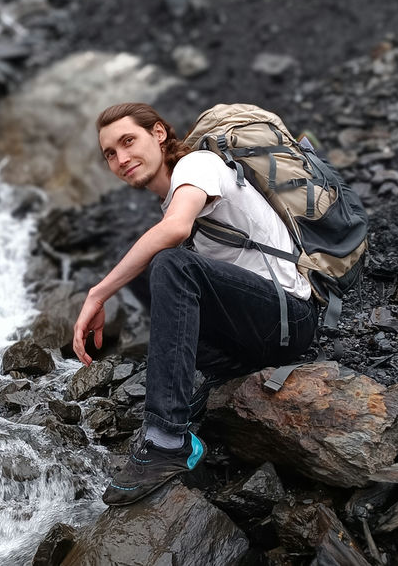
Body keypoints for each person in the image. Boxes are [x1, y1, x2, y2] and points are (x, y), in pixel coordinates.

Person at [72, 102, 318, 506]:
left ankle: (168, 439)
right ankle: (222, 375)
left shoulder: (198, 165)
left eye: (128, 141)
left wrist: (98, 293)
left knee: (170, 261)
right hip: (252, 336)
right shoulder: (174, 195)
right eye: (110, 154)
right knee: (148, 269)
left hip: (289, 319)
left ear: (159, 134)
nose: (121, 158)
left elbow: (174, 230)